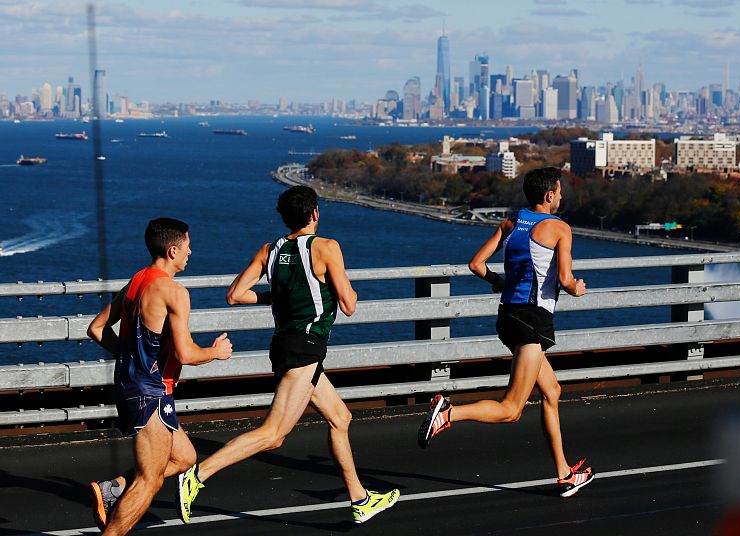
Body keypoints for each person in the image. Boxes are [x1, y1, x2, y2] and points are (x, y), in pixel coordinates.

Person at [176, 185, 399, 524]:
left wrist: (274, 298)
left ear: (286, 218)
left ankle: (360, 498)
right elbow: (349, 305)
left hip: (285, 346)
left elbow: (236, 294)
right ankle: (197, 475)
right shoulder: (327, 247)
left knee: (340, 418)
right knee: (273, 434)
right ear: (315, 214)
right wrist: (345, 286)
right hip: (305, 347)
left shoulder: (270, 250)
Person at [418, 167, 595, 498]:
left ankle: (564, 473)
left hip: (508, 317)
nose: (562, 196)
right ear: (549, 196)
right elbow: (567, 280)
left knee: (552, 391)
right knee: (512, 409)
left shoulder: (511, 224)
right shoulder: (559, 228)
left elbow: (476, 265)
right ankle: (449, 412)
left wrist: (499, 282)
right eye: (559, 191)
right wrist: (578, 288)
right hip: (532, 320)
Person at [87, 217, 233, 534]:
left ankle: (113, 488)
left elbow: (96, 329)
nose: (190, 252)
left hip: (133, 386)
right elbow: (186, 354)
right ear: (172, 250)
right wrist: (215, 352)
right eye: (187, 246)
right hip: (150, 392)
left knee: (184, 457)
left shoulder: (136, 281)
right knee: (149, 480)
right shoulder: (173, 291)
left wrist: (130, 359)